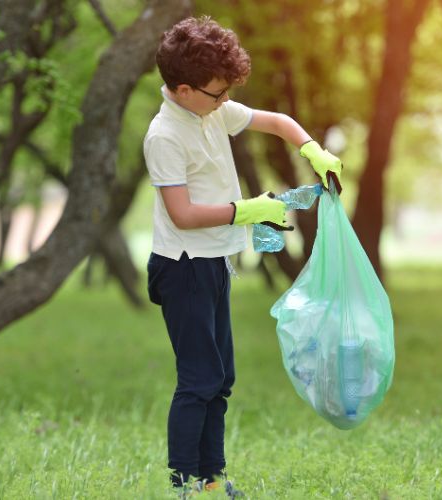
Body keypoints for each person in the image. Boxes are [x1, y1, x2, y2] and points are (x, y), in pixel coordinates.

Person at [144, 15, 343, 495]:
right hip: (182, 266)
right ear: (185, 89)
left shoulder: (211, 111)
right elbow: (182, 214)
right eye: (218, 92)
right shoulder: (165, 136)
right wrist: (248, 210)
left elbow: (276, 121)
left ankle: (212, 479)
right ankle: (183, 483)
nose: (226, 100)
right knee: (200, 379)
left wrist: (311, 149)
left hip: (213, 263)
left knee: (222, 377)